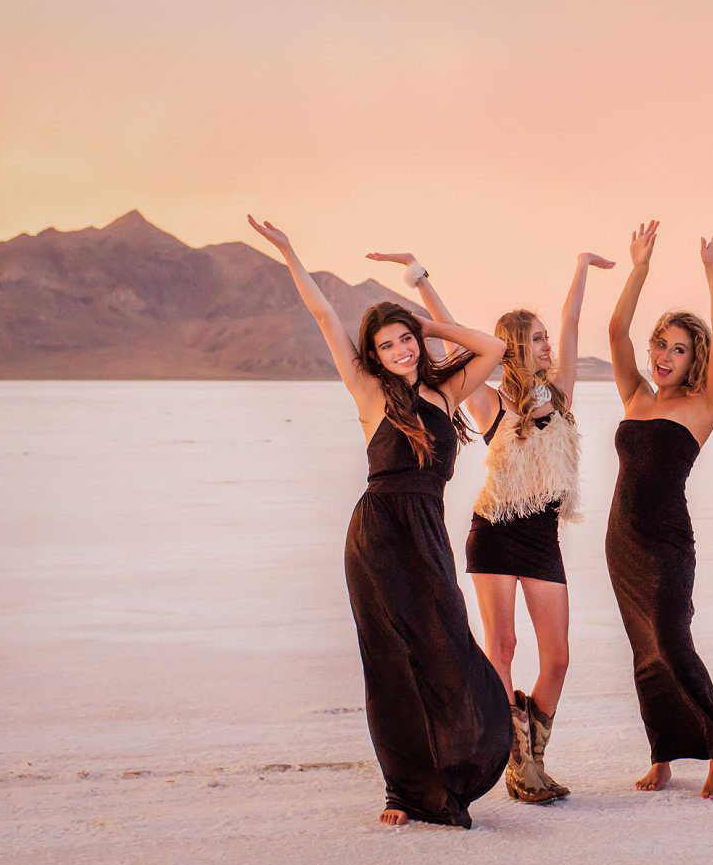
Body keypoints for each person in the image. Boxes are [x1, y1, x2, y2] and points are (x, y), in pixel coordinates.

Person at [246, 228, 518, 822]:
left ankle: (455, 771)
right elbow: (322, 315)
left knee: (447, 648)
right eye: (388, 345)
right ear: (374, 354)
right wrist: (290, 252)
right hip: (377, 537)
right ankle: (403, 791)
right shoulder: (370, 392)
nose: (401, 352)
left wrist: (432, 328)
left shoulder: (445, 395)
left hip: (429, 533)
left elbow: (494, 348)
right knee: (392, 660)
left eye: (406, 340)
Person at [459, 259, 609, 799]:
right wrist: (421, 281)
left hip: (542, 537)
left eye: (546, 339)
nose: (547, 348)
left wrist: (581, 269)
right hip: (495, 531)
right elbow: (462, 339)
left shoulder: (561, 394)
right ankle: (518, 761)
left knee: (557, 656)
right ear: (513, 350)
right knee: (502, 648)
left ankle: (532, 753)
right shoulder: (488, 401)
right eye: (536, 341)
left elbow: (572, 321)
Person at [605, 233, 713, 790]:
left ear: (696, 359)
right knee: (645, 653)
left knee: (671, 641)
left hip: (667, 545)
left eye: (679, 349)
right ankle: (662, 756)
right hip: (622, 542)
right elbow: (615, 331)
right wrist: (638, 267)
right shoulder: (636, 395)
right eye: (661, 344)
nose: (664, 357)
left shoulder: (703, 405)